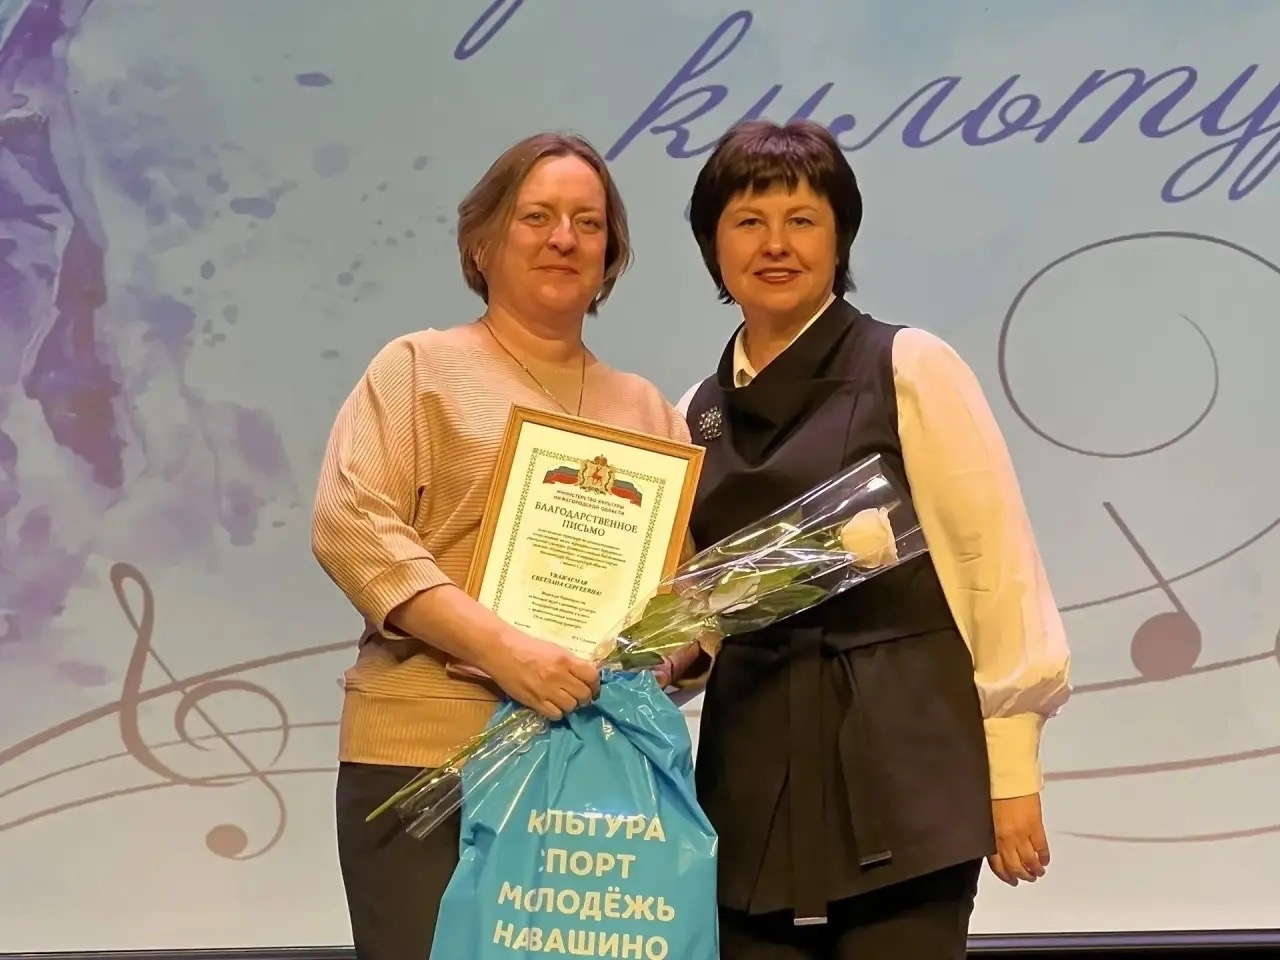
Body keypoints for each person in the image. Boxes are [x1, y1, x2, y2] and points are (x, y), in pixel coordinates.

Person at [662, 119, 1073, 958]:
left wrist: (1012, 773)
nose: (776, 244)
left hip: (906, 768)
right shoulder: (693, 412)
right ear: (712, 245)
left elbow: (993, 569)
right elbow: (699, 610)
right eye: (748, 222)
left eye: (802, 220)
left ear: (840, 236)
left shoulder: (910, 366)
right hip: (749, 777)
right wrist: (662, 655)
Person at [310, 132, 692, 960]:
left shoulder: (648, 412)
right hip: (426, 762)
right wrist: (504, 650)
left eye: (588, 222)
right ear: (481, 243)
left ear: (610, 255)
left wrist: (648, 664)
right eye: (537, 216)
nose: (564, 238)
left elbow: (685, 603)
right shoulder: (418, 368)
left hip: (595, 773)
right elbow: (351, 522)